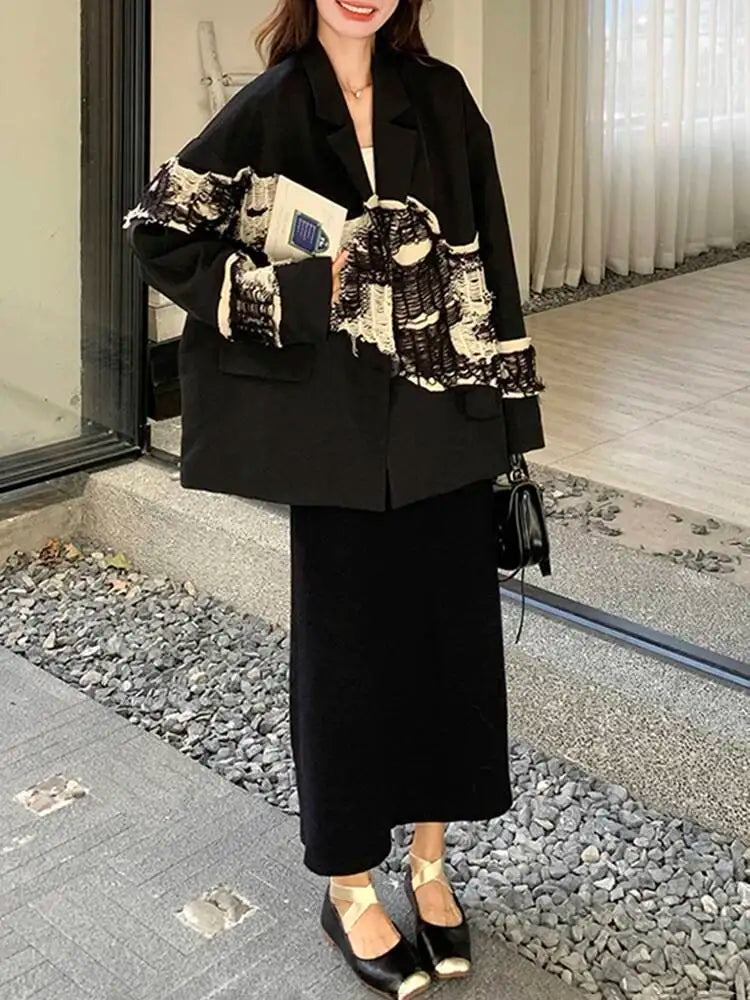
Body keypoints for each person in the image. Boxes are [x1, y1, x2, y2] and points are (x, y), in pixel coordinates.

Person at [124, 1, 546, 996]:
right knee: (345, 659)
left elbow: (492, 259)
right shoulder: (273, 104)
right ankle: (349, 883)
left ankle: (432, 864)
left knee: (451, 647)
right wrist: (296, 297)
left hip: (444, 417)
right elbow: (158, 230)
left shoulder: (440, 98)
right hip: (332, 439)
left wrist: (510, 426)